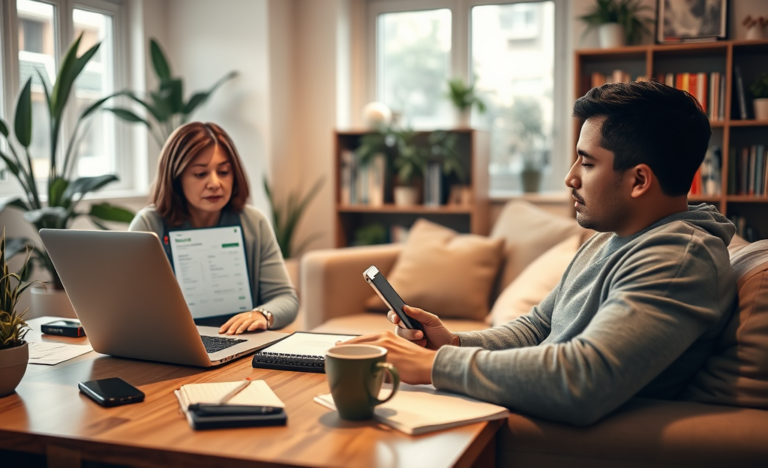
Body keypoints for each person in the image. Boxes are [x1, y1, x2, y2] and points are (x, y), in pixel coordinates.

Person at [343, 81, 737, 426]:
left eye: (587, 161)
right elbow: (537, 328)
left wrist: (433, 365)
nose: (570, 177)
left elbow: (583, 379)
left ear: (639, 180)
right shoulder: (613, 238)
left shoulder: (678, 260)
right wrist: (452, 344)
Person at [129, 122, 298, 335]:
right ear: (175, 178)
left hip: (242, 344)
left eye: (224, 171)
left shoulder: (254, 223)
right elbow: (130, 309)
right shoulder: (148, 225)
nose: (215, 183)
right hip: (173, 343)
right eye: (200, 174)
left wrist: (262, 315)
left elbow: (286, 298)